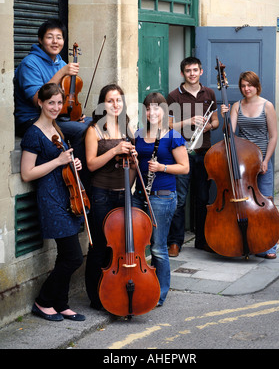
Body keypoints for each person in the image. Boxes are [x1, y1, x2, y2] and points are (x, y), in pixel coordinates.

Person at [20, 83, 85, 321]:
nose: (56, 107)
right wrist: (58, 162)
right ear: (40, 102)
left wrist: (72, 163)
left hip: (68, 196)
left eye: (59, 103)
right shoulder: (33, 133)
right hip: (50, 198)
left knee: (64, 256)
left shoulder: (56, 128)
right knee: (74, 257)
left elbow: (62, 159)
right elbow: (27, 173)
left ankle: (61, 303)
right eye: (51, 103)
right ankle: (43, 301)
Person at [14, 19, 91, 184]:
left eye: (59, 37)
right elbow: (37, 100)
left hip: (54, 117)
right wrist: (62, 71)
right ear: (40, 40)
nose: (55, 41)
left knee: (92, 124)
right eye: (50, 37)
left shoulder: (60, 62)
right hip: (31, 120)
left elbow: (64, 99)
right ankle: (81, 183)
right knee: (80, 131)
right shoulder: (29, 64)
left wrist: (75, 114)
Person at [132, 92, 189, 306]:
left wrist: (162, 167)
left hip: (162, 198)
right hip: (140, 195)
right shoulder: (138, 134)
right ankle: (140, 283)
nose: (152, 112)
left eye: (156, 108)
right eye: (148, 108)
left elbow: (185, 167)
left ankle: (160, 292)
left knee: (157, 246)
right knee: (135, 244)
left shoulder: (173, 136)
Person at [84, 84, 136, 310]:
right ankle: (96, 297)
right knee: (100, 246)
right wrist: (114, 151)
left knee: (121, 246)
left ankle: (113, 290)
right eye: (110, 100)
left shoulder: (126, 126)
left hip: (124, 194)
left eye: (118, 100)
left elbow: (132, 165)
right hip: (101, 194)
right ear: (102, 104)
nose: (115, 104)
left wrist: (133, 158)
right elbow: (91, 164)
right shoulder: (94, 129)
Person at [221, 70, 278, 259]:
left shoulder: (267, 106)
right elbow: (230, 134)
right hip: (243, 163)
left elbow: (273, 136)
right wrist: (225, 118)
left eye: (249, 85)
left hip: (262, 160)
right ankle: (247, 241)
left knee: (266, 203)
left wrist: (266, 160)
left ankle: (269, 246)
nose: (246, 89)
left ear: (257, 86)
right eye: (243, 85)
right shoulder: (237, 105)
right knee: (245, 205)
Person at [166, 57, 219, 256]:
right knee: (179, 200)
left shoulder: (210, 93)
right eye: (188, 71)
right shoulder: (173, 96)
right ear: (182, 73)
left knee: (203, 198)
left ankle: (202, 240)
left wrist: (208, 125)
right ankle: (175, 242)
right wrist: (189, 121)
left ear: (201, 71)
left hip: (204, 153)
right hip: (182, 154)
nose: (192, 74)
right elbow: (168, 125)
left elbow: (215, 121)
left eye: (195, 70)